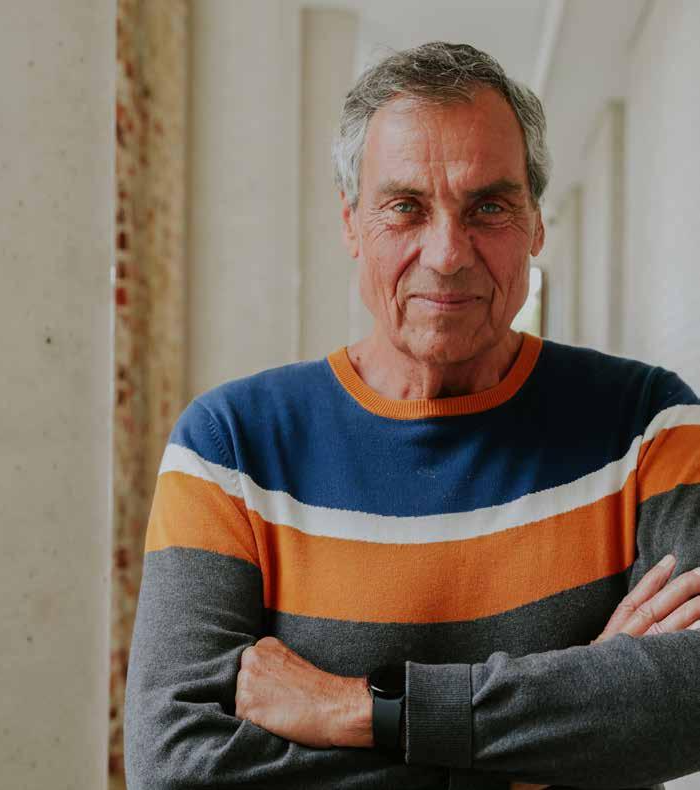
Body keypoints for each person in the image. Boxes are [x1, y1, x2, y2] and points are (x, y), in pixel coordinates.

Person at [124, 42, 700, 790]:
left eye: (488, 206)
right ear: (350, 223)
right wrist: (561, 738)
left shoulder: (650, 424)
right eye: (405, 208)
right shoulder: (229, 447)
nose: (447, 253)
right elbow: (175, 765)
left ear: (535, 225)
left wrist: (355, 710)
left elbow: (690, 700)